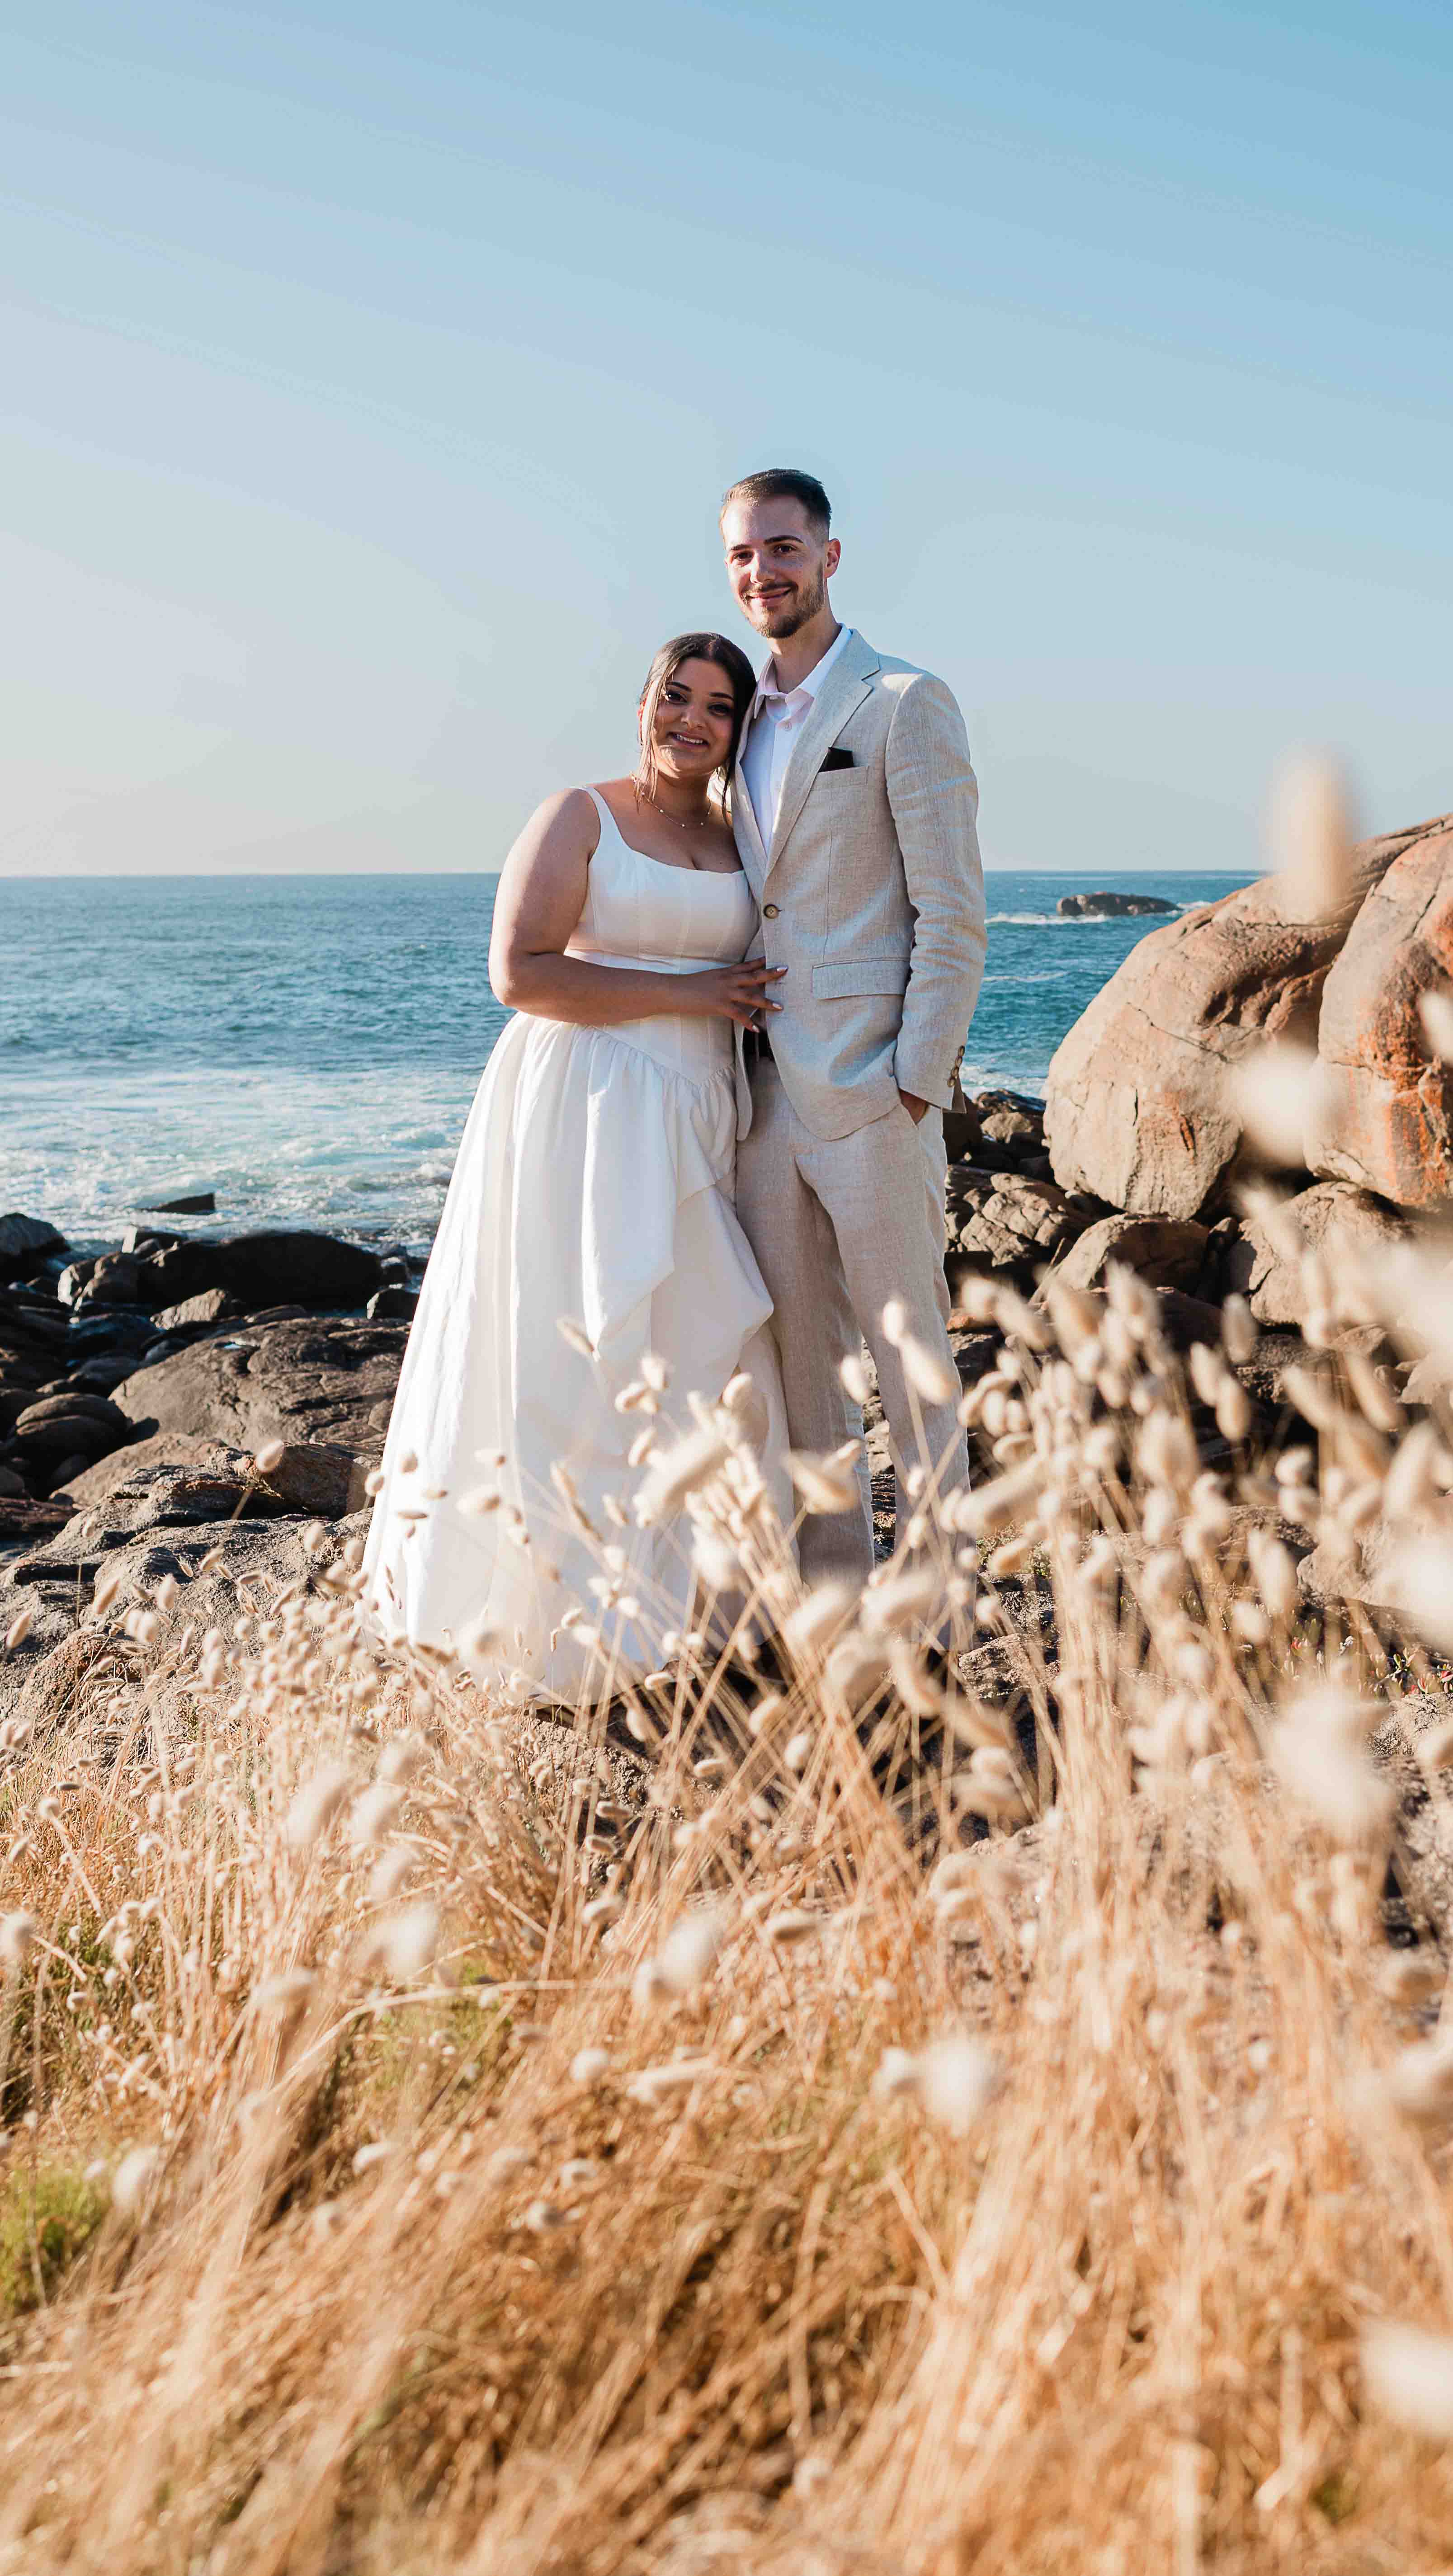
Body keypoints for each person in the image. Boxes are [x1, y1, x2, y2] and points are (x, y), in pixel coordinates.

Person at [360, 633, 791, 1700]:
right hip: (588, 1101)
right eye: (675, 697)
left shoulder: (745, 835)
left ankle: (679, 1610)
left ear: (742, 726)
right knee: (579, 1344)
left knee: (697, 1348)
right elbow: (519, 972)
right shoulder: (578, 816)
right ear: (643, 702)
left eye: (720, 706)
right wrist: (694, 995)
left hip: (699, 1109)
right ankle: (543, 1623)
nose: (693, 720)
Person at [722, 468, 987, 1601]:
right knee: (801, 1377)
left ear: (829, 558)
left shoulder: (901, 701)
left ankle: (936, 1615)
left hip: (874, 1096)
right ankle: (834, 1605)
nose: (761, 572)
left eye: (781, 549)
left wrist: (914, 1084)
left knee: (912, 1364)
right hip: (761, 1101)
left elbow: (954, 913)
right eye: (740, 554)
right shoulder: (732, 724)